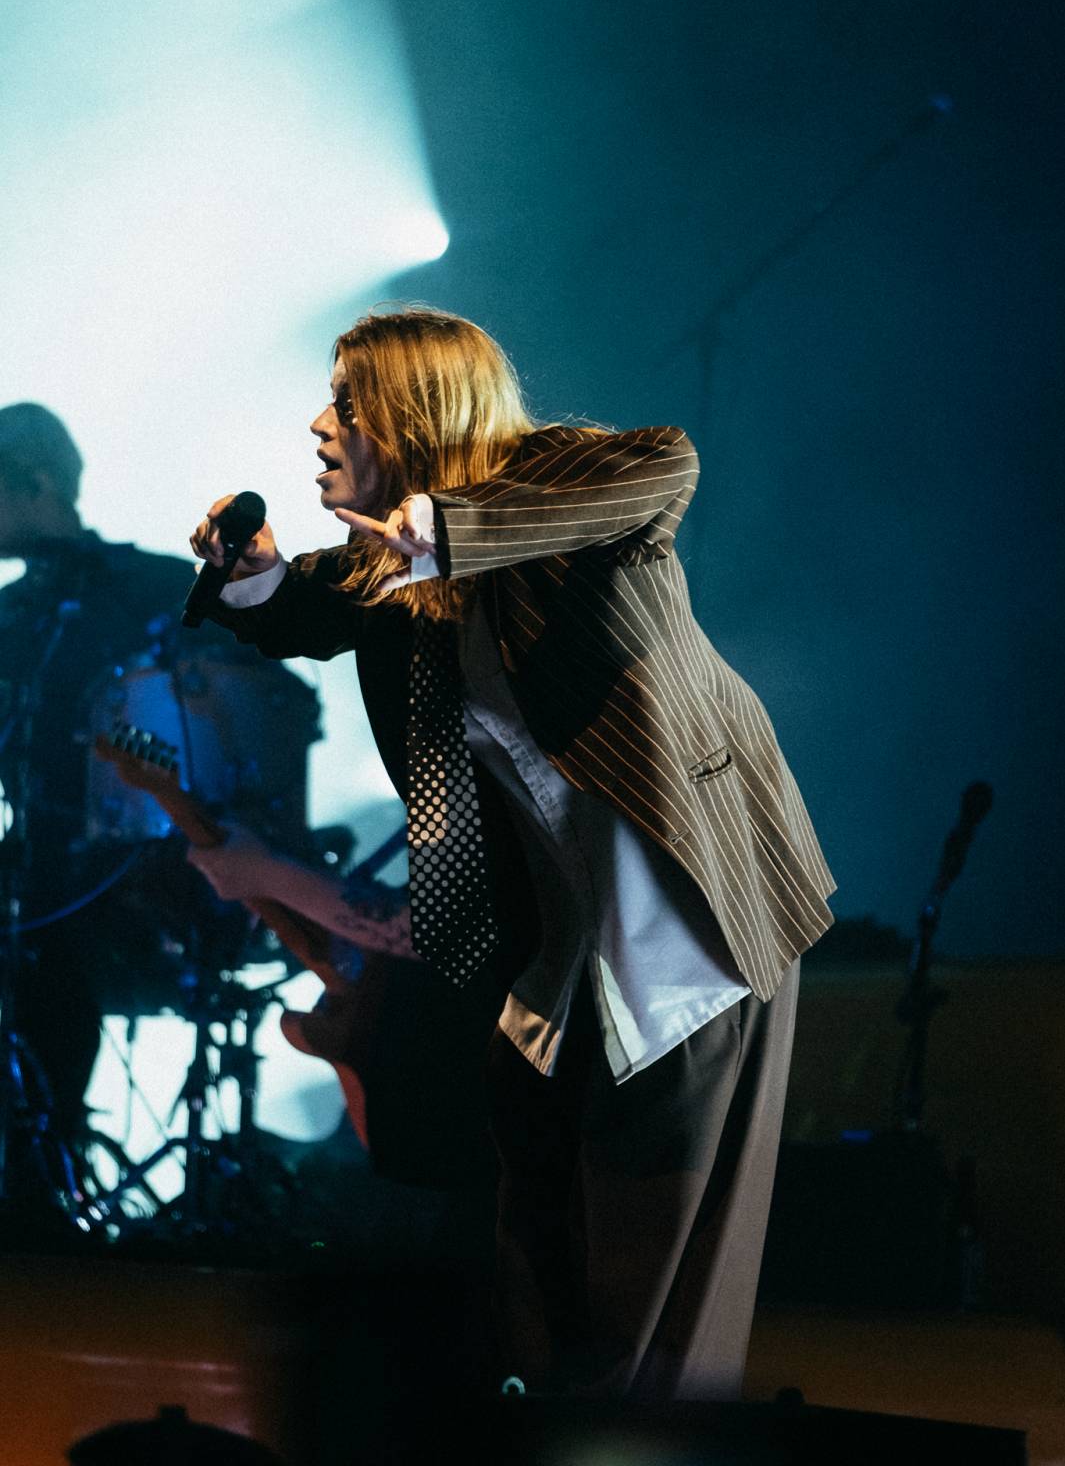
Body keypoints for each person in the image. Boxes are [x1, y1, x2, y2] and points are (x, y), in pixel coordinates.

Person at [190, 307, 836, 1401]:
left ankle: (642, 1440)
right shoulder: (387, 578)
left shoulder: (573, 484)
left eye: (346, 402)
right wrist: (250, 573)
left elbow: (662, 468)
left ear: (417, 407)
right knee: (535, 1238)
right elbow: (310, 606)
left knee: (656, 1253)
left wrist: (439, 529)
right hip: (555, 949)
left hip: (688, 923)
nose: (318, 426)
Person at [0, 402, 318, 1166]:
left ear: (38, 480)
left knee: (51, 948)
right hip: (35, 860)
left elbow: (278, 705)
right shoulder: (10, 616)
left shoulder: (156, 589)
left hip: (157, 865)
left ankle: (45, 1176)